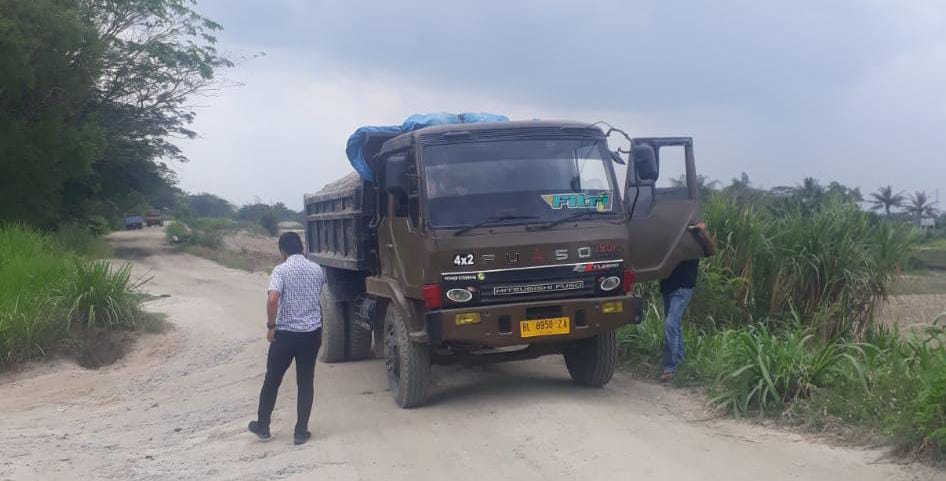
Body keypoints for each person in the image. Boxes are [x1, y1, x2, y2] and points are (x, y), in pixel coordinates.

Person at [248, 232, 326, 445]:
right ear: (302, 247)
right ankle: (301, 432)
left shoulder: (280, 270)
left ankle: (263, 426)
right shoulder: (317, 269)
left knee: (272, 380)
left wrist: (271, 326)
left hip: (285, 335)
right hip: (311, 334)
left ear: (282, 251)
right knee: (305, 382)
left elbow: (273, 299)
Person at [659, 222, 715, 382]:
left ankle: (670, 368)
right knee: (674, 325)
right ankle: (681, 365)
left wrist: (703, 233)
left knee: (671, 324)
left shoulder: (694, 235)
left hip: (684, 287)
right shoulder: (667, 235)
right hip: (668, 287)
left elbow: (711, 251)